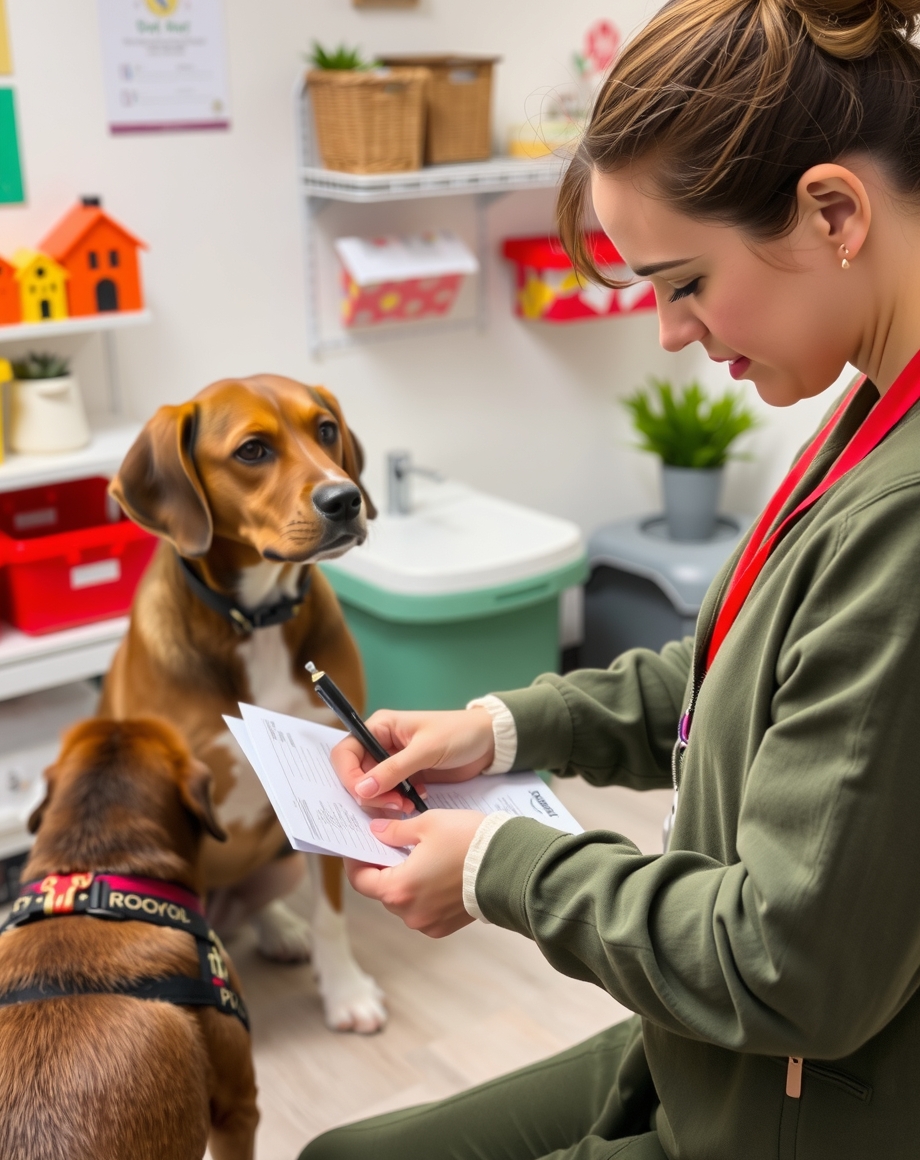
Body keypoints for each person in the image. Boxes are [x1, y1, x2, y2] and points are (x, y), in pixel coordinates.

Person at [301, 1, 920, 1156]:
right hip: (710, 1050)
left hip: (788, 1094)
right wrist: (498, 728)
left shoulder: (905, 516)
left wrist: (501, 867)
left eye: (682, 281)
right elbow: (743, 671)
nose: (671, 333)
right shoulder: (869, 402)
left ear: (833, 211)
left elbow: (787, 966)